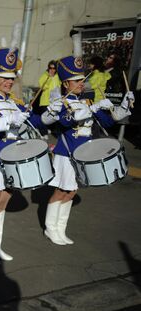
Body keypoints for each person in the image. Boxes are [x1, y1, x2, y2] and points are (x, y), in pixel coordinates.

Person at [0, 26, 50, 265]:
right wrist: (5, 121)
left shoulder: (15, 102)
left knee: (4, 201)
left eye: (11, 77)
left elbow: (35, 121)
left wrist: (48, 115)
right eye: (4, 77)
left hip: (12, 158)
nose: (8, 81)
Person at [44, 38, 133, 245]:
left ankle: (60, 229)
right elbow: (65, 122)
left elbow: (108, 120)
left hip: (83, 154)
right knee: (61, 191)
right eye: (77, 81)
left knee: (72, 191)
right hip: (66, 153)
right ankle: (50, 228)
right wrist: (90, 109)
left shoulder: (88, 100)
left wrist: (124, 106)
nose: (82, 84)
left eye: (82, 80)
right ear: (66, 83)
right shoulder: (61, 102)